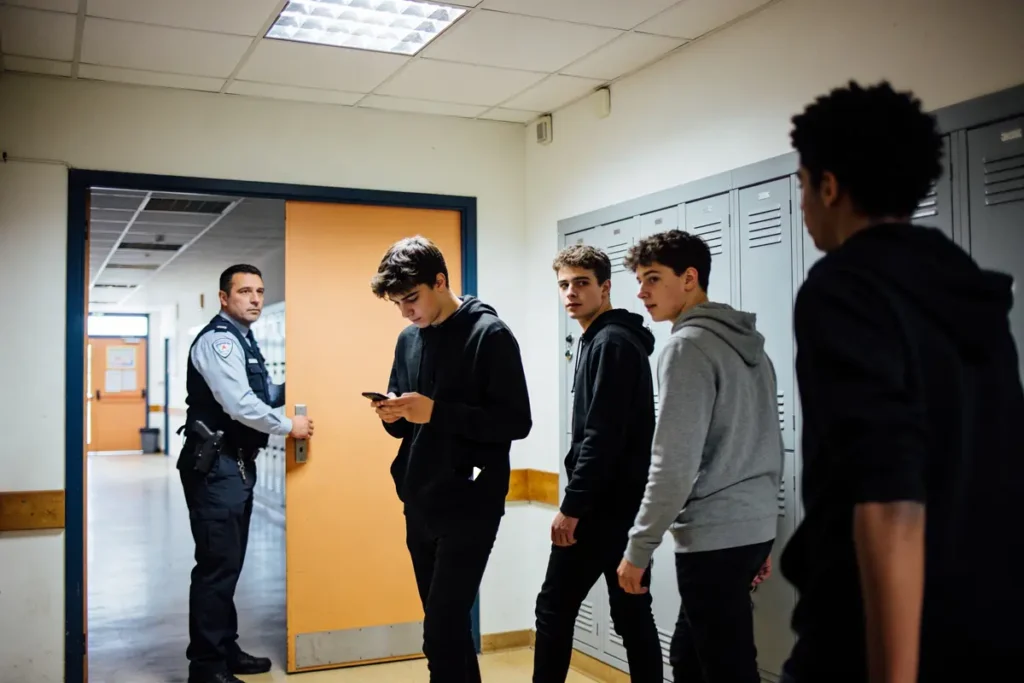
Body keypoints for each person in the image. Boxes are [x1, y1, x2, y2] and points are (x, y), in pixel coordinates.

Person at [779, 80, 1024, 683]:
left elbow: (889, 495)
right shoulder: (963, 282)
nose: (804, 205)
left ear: (828, 186)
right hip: (987, 621)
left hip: (872, 637)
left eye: (803, 186)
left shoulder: (844, 286)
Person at [616, 230, 784, 683]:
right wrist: (759, 530)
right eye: (638, 279)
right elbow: (770, 438)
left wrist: (639, 547)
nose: (641, 291)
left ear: (689, 278)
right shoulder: (751, 344)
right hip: (749, 531)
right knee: (691, 659)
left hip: (715, 537)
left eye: (653, 278)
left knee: (726, 669)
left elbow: (673, 461)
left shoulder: (686, 346)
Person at [368, 236, 532, 682]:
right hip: (420, 498)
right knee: (450, 628)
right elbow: (407, 422)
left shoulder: (490, 335)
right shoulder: (409, 339)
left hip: (471, 501)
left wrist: (436, 412)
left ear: (440, 281)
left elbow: (516, 422)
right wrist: (392, 414)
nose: (407, 312)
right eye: (398, 304)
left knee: (438, 632)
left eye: (412, 299)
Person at [532, 244, 663, 682]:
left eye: (582, 283)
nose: (571, 293)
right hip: (623, 506)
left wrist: (573, 507)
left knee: (554, 607)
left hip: (602, 509)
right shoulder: (602, 339)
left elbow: (600, 437)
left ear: (605, 288)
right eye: (564, 285)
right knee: (630, 611)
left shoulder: (610, 342)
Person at [177, 263, 313, 683]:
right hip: (215, 466)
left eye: (260, 291)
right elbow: (239, 404)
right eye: (245, 292)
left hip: (234, 465)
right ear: (224, 298)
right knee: (217, 567)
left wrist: (304, 378)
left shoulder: (245, 341)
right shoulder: (219, 342)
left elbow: (264, 395)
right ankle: (207, 666)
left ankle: (224, 648)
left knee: (228, 564)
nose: (255, 298)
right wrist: (291, 426)